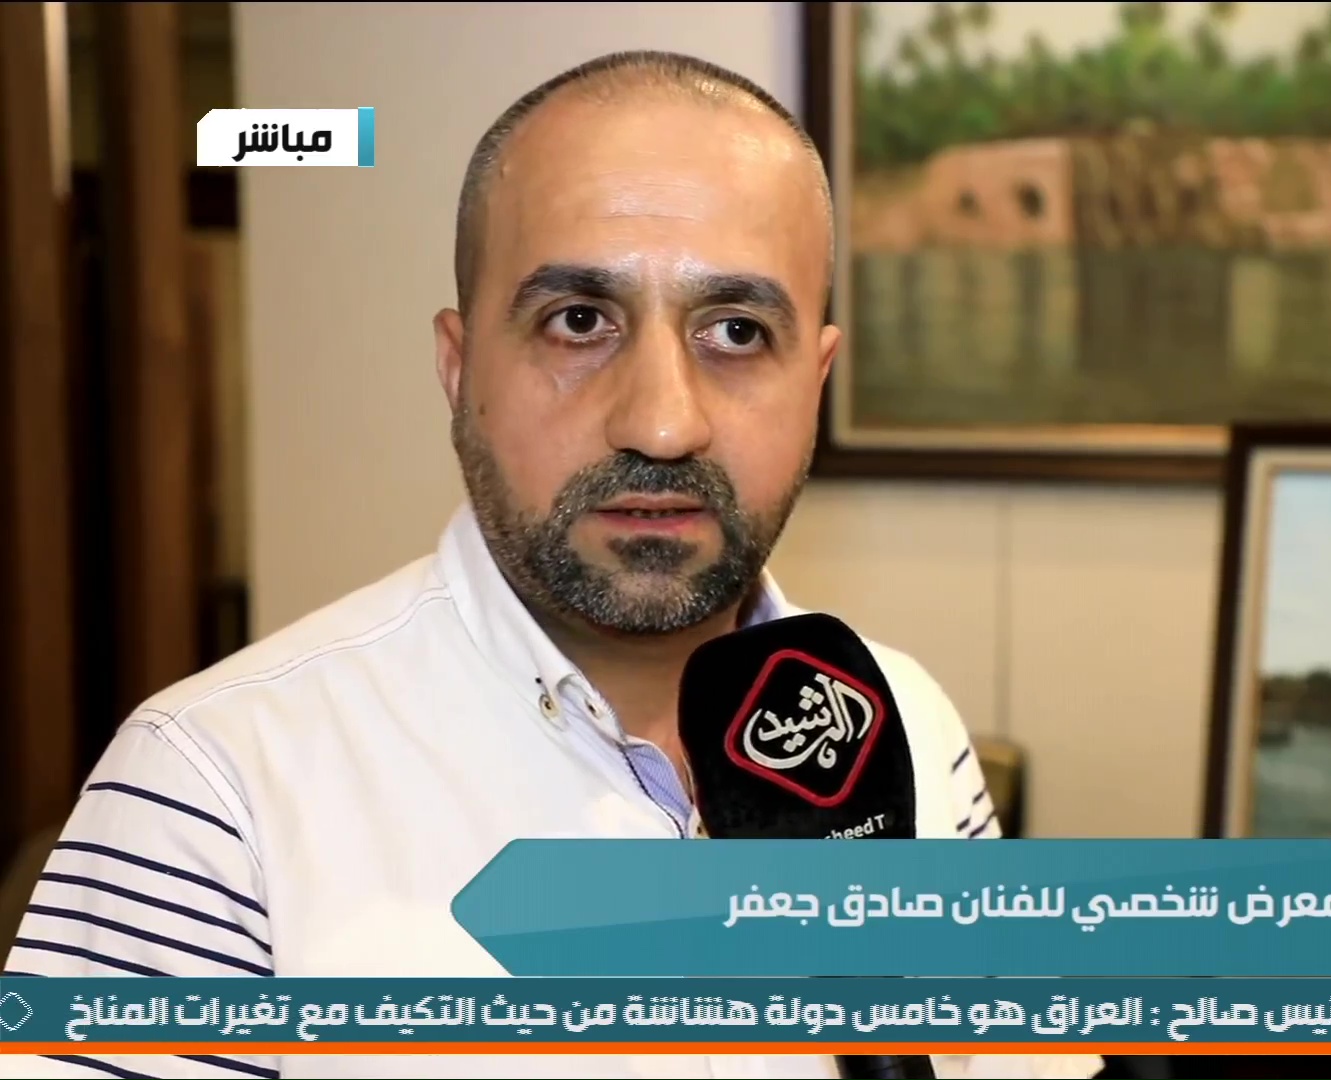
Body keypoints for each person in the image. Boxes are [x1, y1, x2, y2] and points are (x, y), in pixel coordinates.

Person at [1, 51, 1101, 1080]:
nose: (662, 423)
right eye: (579, 321)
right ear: (458, 368)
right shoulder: (213, 793)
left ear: (814, 381)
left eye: (735, 332)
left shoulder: (906, 723)